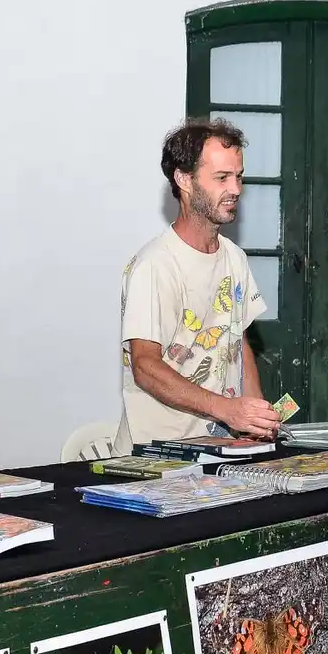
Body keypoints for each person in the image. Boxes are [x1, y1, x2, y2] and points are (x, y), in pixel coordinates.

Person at [112, 118, 279, 454]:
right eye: (222, 177)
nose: (236, 189)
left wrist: (257, 420)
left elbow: (239, 342)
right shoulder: (154, 264)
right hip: (157, 458)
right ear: (184, 179)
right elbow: (145, 366)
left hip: (218, 449)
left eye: (239, 176)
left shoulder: (234, 257)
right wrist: (226, 409)